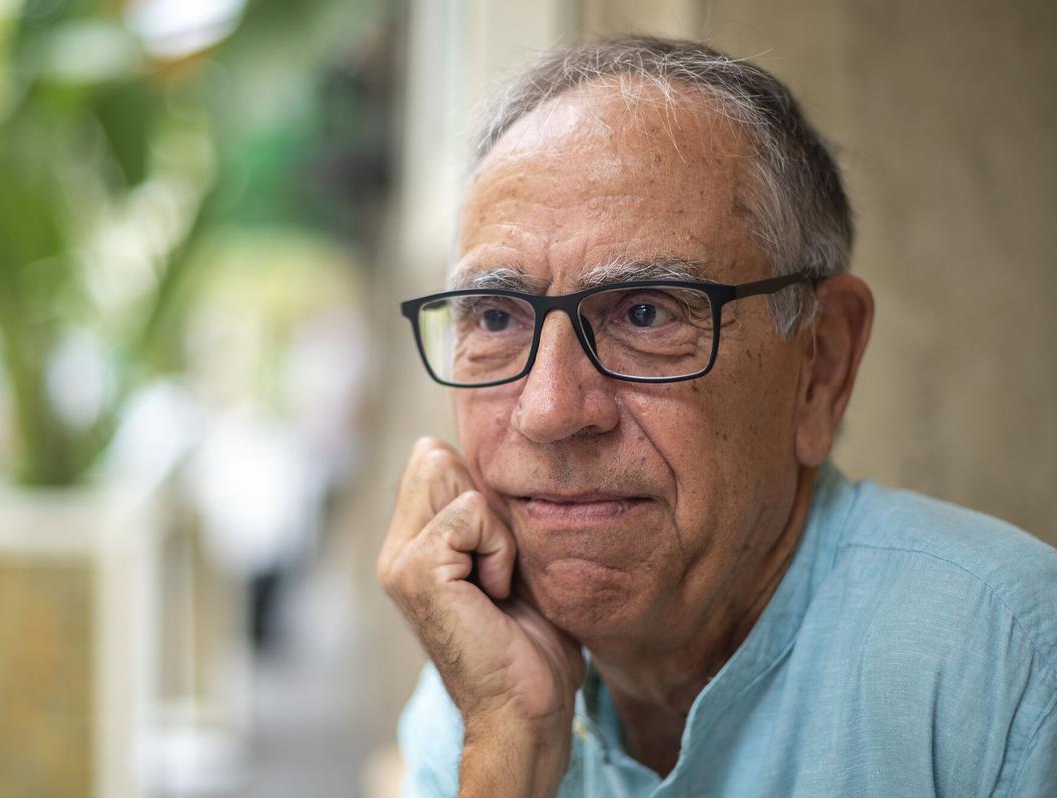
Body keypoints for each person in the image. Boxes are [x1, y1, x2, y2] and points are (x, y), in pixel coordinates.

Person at [377, 35, 1057, 797]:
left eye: (645, 312)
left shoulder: (1007, 669)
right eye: (497, 318)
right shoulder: (484, 678)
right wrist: (510, 736)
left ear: (821, 366)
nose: (550, 410)